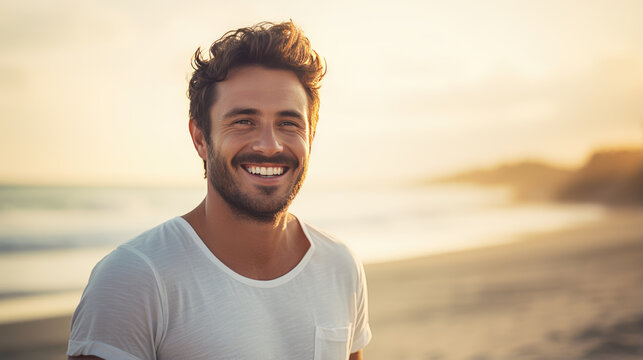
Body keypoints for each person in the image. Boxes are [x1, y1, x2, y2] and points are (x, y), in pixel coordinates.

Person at [67, 21, 371, 360]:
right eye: (244, 121)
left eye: (288, 123)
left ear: (310, 137)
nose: (270, 146)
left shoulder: (340, 266)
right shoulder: (135, 279)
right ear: (200, 138)